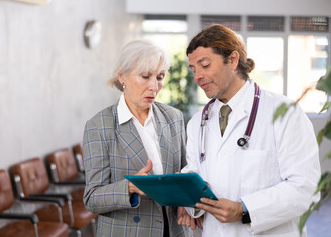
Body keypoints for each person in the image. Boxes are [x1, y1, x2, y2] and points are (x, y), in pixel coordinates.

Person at [177, 24, 321, 236]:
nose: (198, 76)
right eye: (193, 69)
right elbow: (194, 173)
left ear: (233, 60)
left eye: (205, 65)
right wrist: (188, 202)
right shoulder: (198, 122)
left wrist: (244, 209)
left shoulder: (284, 113)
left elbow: (306, 188)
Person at [83, 39, 193, 237]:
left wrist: (187, 196)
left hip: (175, 229)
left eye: (160, 77)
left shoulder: (174, 118)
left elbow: (184, 172)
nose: (154, 86)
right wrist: (130, 187)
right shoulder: (99, 126)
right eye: (145, 76)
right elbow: (92, 198)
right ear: (122, 76)